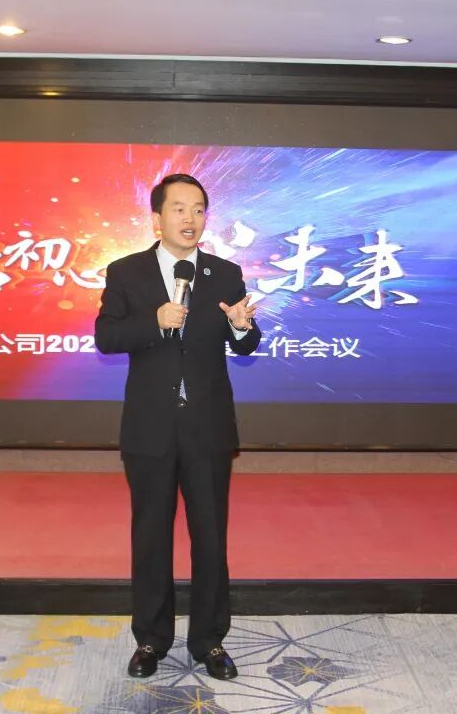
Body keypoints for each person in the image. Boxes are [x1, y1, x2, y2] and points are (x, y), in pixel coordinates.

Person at [95, 173, 260, 680]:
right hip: (150, 427)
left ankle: (210, 640)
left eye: (199, 209)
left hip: (208, 428)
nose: (191, 219)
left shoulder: (225, 273)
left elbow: (246, 341)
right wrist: (155, 321)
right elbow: (106, 336)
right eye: (180, 209)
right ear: (157, 219)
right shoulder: (126, 272)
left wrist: (241, 327)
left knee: (210, 537)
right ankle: (151, 640)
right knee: (150, 536)